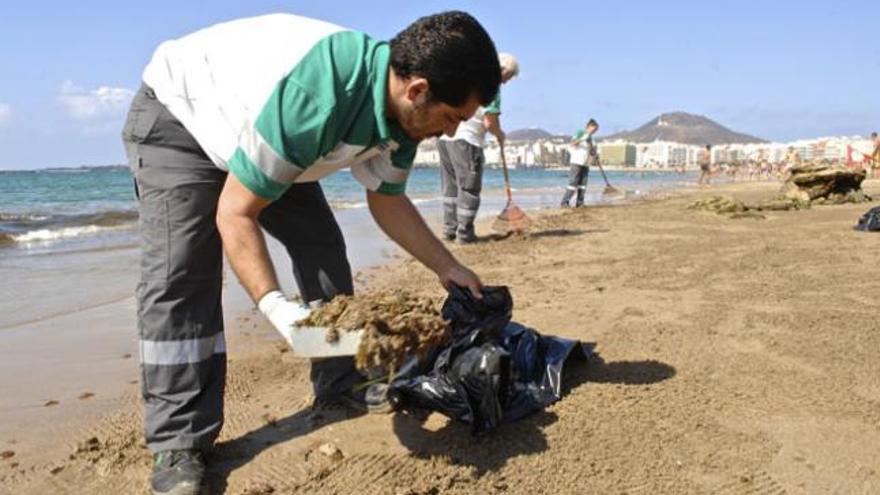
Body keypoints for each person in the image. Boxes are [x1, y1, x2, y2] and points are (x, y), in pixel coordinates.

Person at [121, 12, 501, 495]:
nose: (451, 134)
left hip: (269, 134)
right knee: (183, 275)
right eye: (452, 118)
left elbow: (386, 199)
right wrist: (277, 309)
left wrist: (450, 267)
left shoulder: (402, 117)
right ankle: (178, 441)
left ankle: (339, 378)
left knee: (321, 245)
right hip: (183, 122)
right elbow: (235, 213)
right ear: (417, 90)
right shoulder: (321, 97)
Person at [437, 53, 519, 243]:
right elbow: (490, 122)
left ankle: (450, 230)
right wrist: (500, 135)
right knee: (469, 189)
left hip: (445, 137)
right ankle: (465, 234)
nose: (506, 82)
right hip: (468, 141)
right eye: (508, 77)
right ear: (502, 70)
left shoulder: (466, 76)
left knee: (450, 189)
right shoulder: (491, 87)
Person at [560, 119, 599, 207]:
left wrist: (594, 154)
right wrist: (582, 138)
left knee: (583, 184)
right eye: (594, 129)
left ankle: (580, 202)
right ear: (589, 127)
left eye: (596, 130)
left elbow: (591, 151)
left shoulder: (591, 139)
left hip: (585, 163)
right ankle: (565, 202)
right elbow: (572, 143)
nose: (595, 131)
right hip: (576, 162)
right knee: (573, 183)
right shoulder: (580, 132)